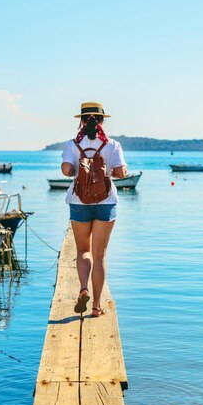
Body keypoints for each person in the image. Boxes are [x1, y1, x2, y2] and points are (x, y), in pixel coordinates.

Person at [61, 102, 127, 316]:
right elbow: (121, 173)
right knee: (100, 256)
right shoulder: (112, 145)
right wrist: (105, 170)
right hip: (106, 202)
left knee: (83, 251)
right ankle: (97, 307)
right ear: (102, 121)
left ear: (81, 120)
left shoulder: (72, 145)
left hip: (79, 202)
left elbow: (66, 170)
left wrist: (80, 166)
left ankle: (83, 289)